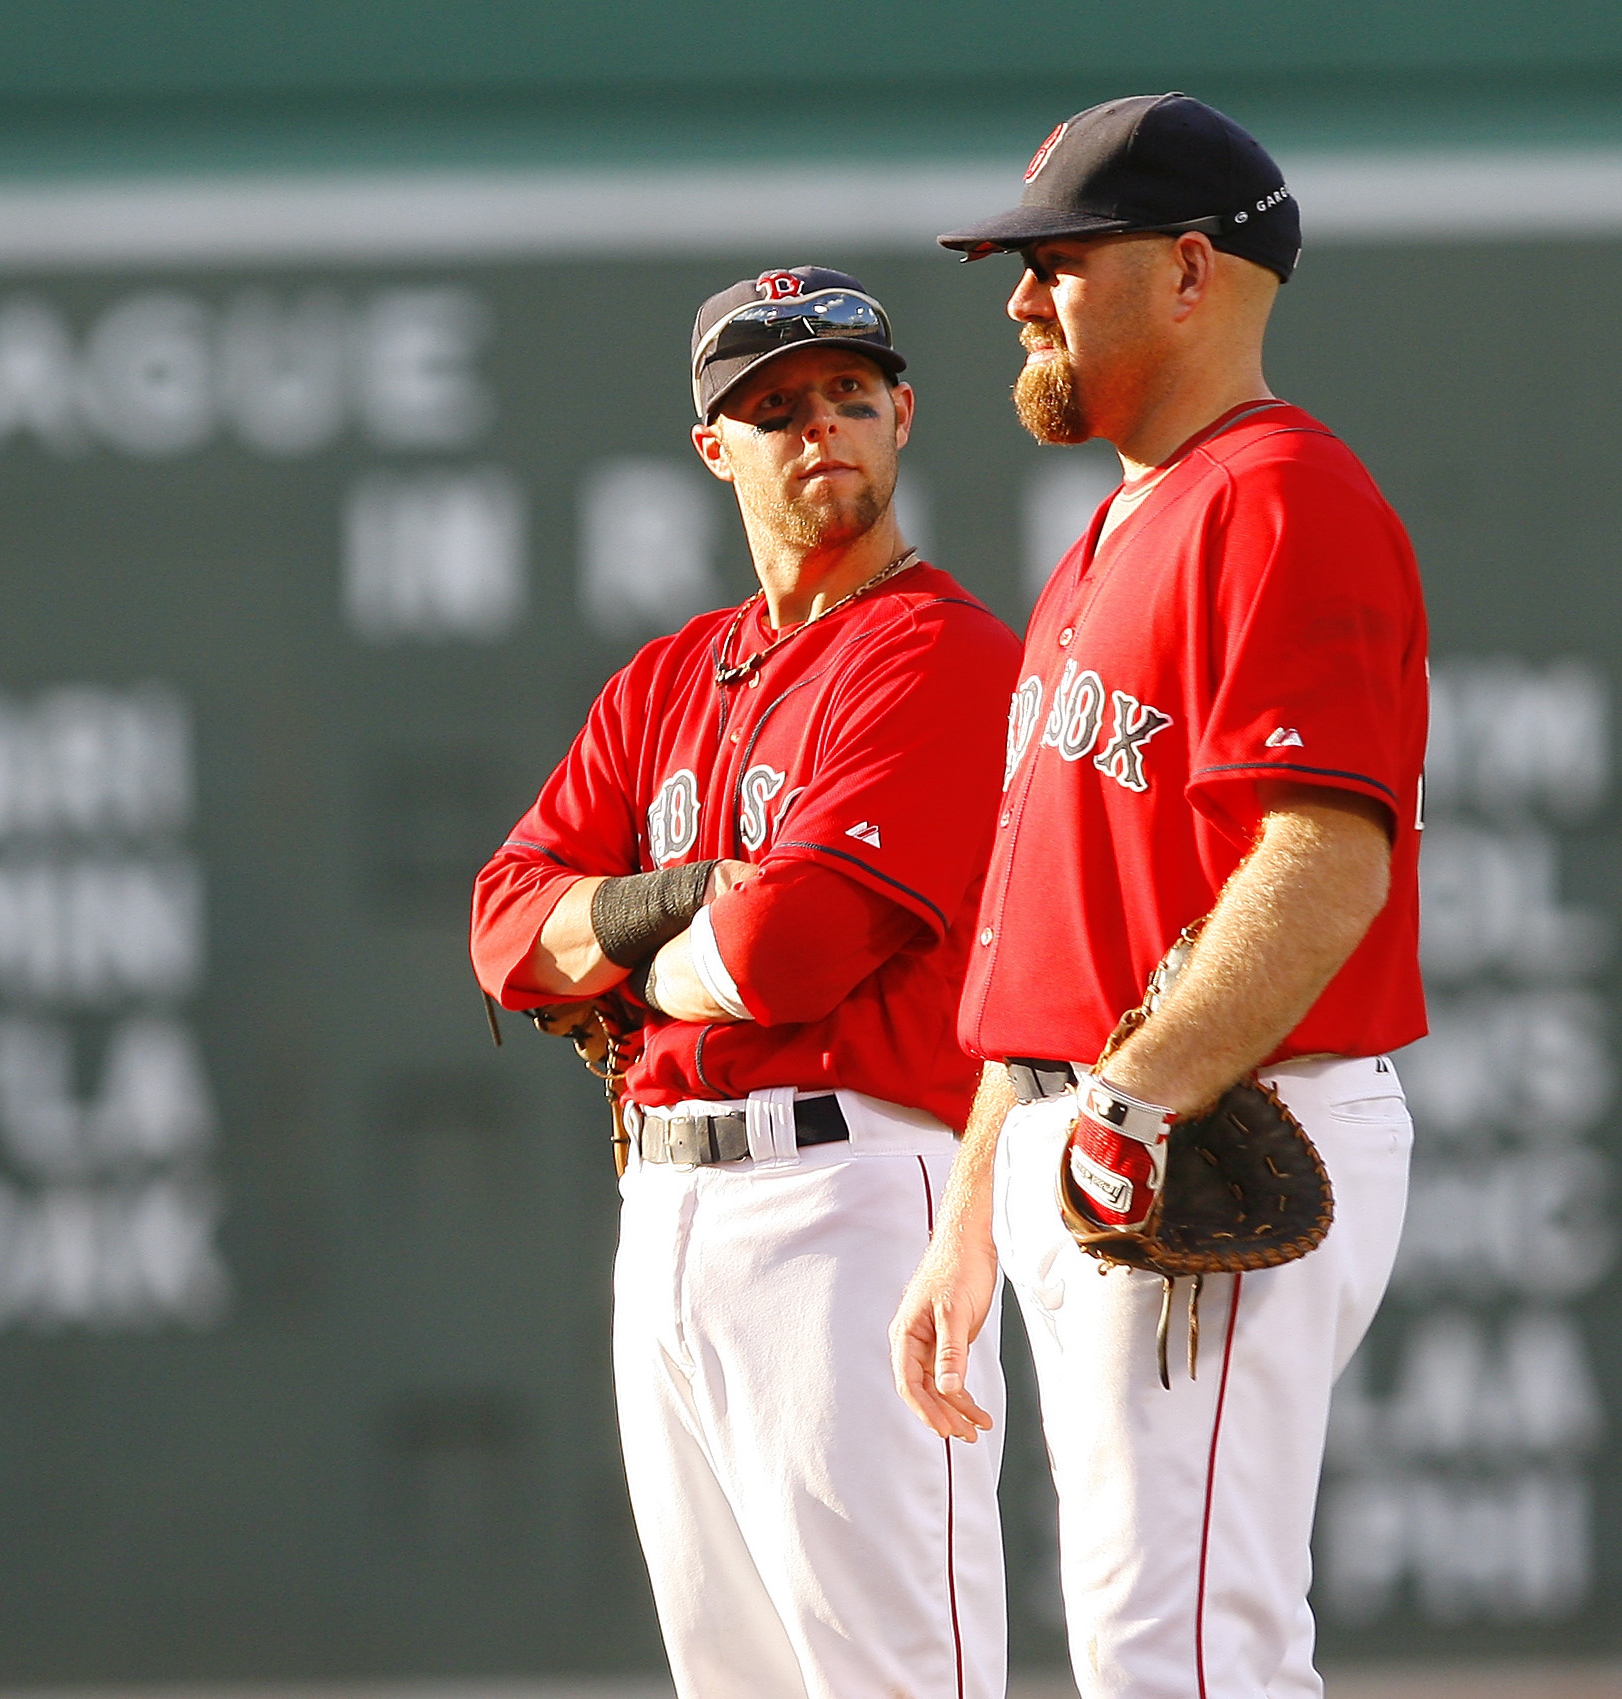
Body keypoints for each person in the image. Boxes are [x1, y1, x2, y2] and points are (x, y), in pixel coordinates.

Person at [889, 95, 1428, 1699]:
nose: (1019, 297)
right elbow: (1057, 930)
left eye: (1059, 259)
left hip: (1213, 1123)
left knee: (1183, 1653)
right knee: (1152, 1642)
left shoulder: (1279, 497)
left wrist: (1133, 1102)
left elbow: (1326, 859)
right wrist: (978, 1204)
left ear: (1190, 272)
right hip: (1098, 1121)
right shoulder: (1126, 523)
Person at [471, 266, 1023, 1699]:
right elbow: (503, 933)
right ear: (716, 448)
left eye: (850, 393)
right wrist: (688, 896)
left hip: (852, 1201)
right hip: (664, 1216)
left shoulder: (940, 653)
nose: (820, 424)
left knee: (897, 1678)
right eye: (775, 408)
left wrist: (623, 960)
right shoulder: (667, 679)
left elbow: (785, 954)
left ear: (904, 415)